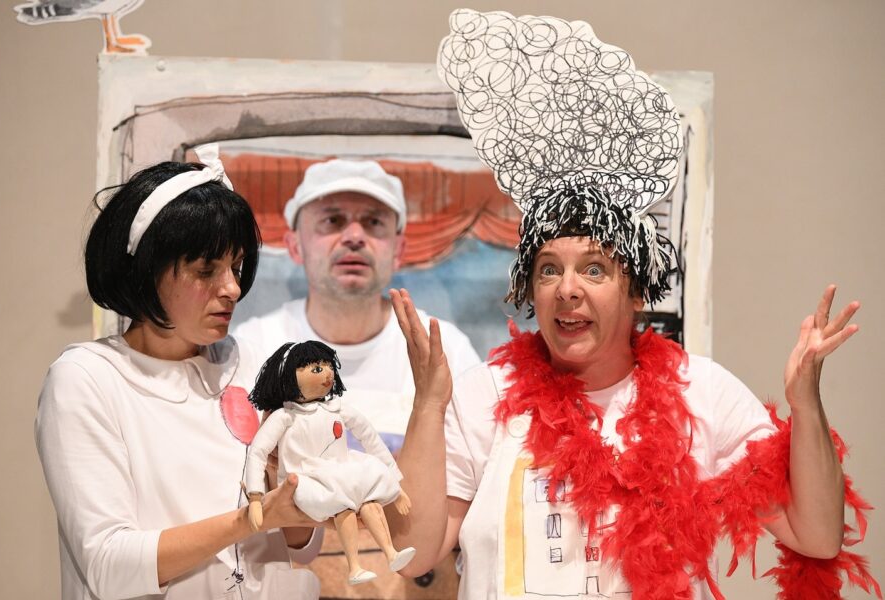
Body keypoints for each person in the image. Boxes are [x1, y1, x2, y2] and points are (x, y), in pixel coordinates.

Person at [385, 9, 879, 600]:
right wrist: (428, 406)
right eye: (549, 270)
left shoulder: (703, 394)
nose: (568, 288)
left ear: (636, 289)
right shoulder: (483, 396)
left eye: (594, 268)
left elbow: (818, 536)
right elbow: (412, 553)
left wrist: (805, 404)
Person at [36, 145, 322, 600]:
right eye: (206, 270)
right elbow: (108, 564)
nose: (232, 288)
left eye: (236, 267)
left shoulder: (252, 364)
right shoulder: (87, 379)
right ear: (146, 272)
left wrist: (289, 491)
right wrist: (256, 517)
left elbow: (299, 545)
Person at [233, 158, 480, 451]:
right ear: (295, 246)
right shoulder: (253, 349)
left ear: (399, 250)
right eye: (332, 220)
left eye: (373, 222)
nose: (354, 237)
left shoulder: (443, 350)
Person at [243, 340, 416, 585]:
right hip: (308, 478)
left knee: (369, 500)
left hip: (342, 468)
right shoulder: (285, 417)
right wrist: (255, 496)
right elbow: (258, 452)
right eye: (317, 369)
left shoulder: (338, 409)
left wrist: (395, 485)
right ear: (290, 378)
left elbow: (370, 438)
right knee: (343, 506)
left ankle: (391, 553)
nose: (327, 373)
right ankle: (354, 567)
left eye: (328, 366)